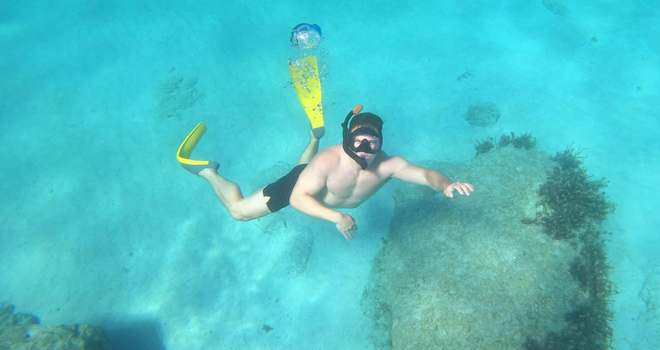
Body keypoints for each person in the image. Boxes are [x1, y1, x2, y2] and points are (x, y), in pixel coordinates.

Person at [179, 106, 474, 240]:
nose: (364, 147)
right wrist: (337, 217)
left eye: (372, 141)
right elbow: (297, 198)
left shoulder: (389, 164)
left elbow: (425, 175)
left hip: (313, 176)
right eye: (358, 139)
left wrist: (445, 184)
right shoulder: (327, 162)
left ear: (380, 142)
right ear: (347, 138)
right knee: (239, 211)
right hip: (301, 186)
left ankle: (312, 137)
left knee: (303, 166)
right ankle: (207, 172)